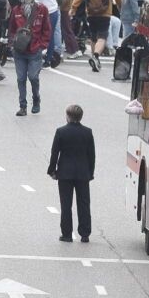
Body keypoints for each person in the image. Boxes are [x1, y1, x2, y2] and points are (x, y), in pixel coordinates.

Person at [48, 103, 96, 243]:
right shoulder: (87, 132)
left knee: (66, 205)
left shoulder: (61, 132)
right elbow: (91, 155)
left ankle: (67, 234)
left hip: (65, 173)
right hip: (82, 174)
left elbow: (54, 153)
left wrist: (52, 170)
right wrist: (90, 173)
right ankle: (85, 234)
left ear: (68, 116)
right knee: (84, 204)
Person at [7, 0, 52, 116]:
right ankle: (23, 106)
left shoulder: (42, 9)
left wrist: (42, 45)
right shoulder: (16, 9)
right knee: (21, 79)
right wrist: (12, 43)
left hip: (34, 49)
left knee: (33, 77)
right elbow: (11, 28)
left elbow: (47, 29)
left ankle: (36, 98)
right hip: (19, 50)